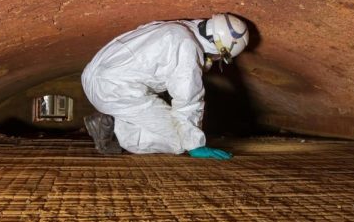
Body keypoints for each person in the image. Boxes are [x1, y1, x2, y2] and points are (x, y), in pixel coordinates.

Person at [81, 13, 250, 159]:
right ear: (220, 49)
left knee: (160, 115)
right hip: (116, 91)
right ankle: (114, 130)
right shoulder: (187, 48)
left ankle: (113, 121)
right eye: (219, 57)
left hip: (93, 78)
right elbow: (188, 100)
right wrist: (195, 144)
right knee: (179, 140)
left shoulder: (178, 28)